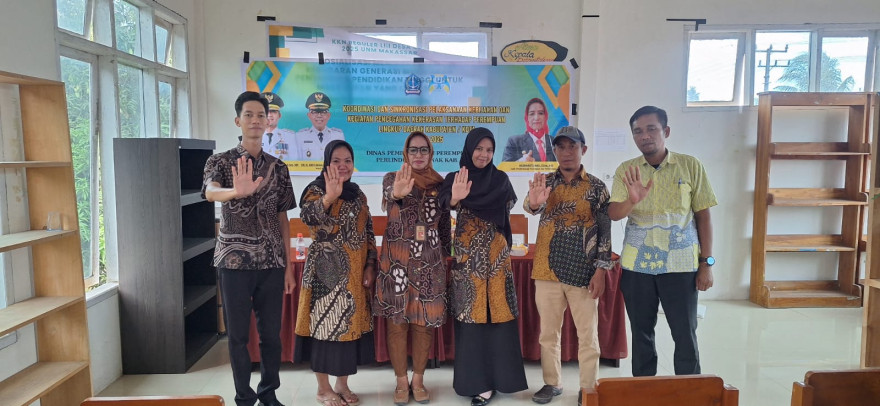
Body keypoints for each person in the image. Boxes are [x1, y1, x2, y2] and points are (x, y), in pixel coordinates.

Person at [202, 91, 296, 406]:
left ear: (268, 121)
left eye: (261, 115)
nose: (255, 120)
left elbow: (283, 218)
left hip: (271, 262)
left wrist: (287, 265)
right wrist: (235, 192)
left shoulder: (279, 168)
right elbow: (210, 192)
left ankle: (268, 393)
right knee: (238, 336)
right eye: (249, 115)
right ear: (237, 120)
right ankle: (244, 396)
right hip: (233, 262)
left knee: (271, 336)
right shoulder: (219, 161)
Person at [608, 105, 717, 377]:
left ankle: (688, 390)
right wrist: (632, 200)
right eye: (638, 131)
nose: (644, 136)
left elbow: (704, 216)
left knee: (685, 332)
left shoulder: (690, 166)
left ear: (665, 131)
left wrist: (707, 263)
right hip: (637, 266)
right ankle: (645, 389)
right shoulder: (627, 170)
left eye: (651, 129)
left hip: (680, 265)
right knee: (641, 333)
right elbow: (614, 213)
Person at [439, 127, 528, 406]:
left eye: (489, 150)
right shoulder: (456, 178)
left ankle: (501, 380)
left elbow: (506, 215)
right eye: (479, 148)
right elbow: (444, 204)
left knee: (498, 319)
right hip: (468, 266)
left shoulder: (500, 179)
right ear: (469, 149)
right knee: (472, 321)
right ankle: (477, 384)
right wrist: (456, 197)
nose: (484, 154)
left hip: (497, 261)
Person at [523, 126, 612, 404]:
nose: (566, 152)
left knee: (588, 335)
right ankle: (552, 383)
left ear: (583, 149)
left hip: (584, 272)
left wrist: (601, 269)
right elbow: (531, 206)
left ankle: (588, 388)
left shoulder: (596, 187)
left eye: (572, 146)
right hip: (547, 270)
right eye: (561, 147)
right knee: (548, 334)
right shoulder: (546, 182)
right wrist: (534, 203)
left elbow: (605, 231)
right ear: (555, 151)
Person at [294, 140, 377, 406]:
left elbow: (368, 231)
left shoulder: (358, 193)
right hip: (325, 276)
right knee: (324, 328)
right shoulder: (316, 189)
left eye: (348, 161)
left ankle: (342, 384)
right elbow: (308, 218)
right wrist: (329, 197)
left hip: (354, 276)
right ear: (327, 163)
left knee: (348, 330)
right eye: (336, 161)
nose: (343, 166)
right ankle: (323, 389)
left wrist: (370, 264)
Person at [374, 131, 452, 405]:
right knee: (397, 323)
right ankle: (400, 381)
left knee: (423, 324)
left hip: (430, 264)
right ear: (405, 154)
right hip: (397, 263)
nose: (418, 155)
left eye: (423, 150)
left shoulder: (441, 185)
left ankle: (418, 380)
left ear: (431, 153)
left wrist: (446, 259)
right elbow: (390, 195)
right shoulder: (392, 178)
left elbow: (444, 228)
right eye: (413, 150)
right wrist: (398, 192)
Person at [294, 91, 345, 160]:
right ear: (309, 115)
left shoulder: (338, 136)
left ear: (329, 115)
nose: (319, 116)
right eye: (315, 112)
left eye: (323, 112)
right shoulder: (300, 136)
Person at [502, 98, 556, 162]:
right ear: (527, 117)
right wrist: (521, 162)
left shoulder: (554, 142)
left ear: (545, 116)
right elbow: (505, 166)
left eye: (540, 113)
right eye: (532, 114)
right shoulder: (514, 142)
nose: (536, 118)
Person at [260, 92, 297, 160]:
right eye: (266, 111)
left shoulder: (290, 137)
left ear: (279, 115)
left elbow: (295, 161)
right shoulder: (253, 136)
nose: (269, 115)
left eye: (273, 111)